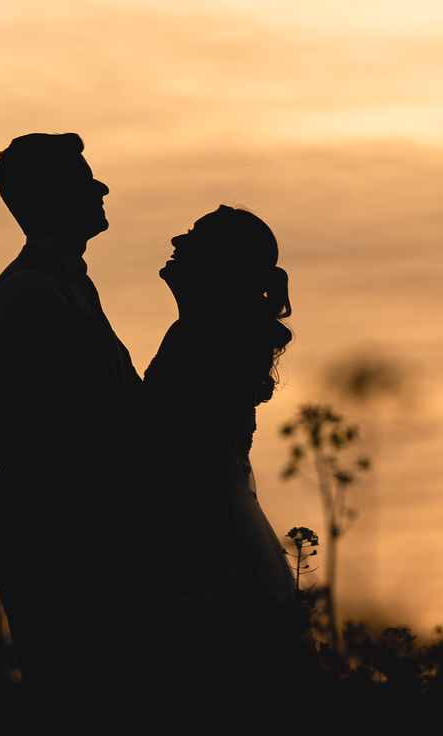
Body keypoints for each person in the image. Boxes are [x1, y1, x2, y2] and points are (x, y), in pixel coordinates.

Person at [0, 133, 144, 694]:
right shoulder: (33, 291)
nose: (101, 188)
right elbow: (62, 424)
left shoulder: (66, 284)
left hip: (78, 528)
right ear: (50, 197)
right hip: (59, 534)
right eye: (83, 180)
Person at [142, 205, 305, 703]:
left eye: (193, 236)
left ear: (218, 264)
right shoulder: (207, 333)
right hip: (216, 528)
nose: (177, 239)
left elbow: (174, 444)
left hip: (206, 539)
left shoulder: (202, 338)